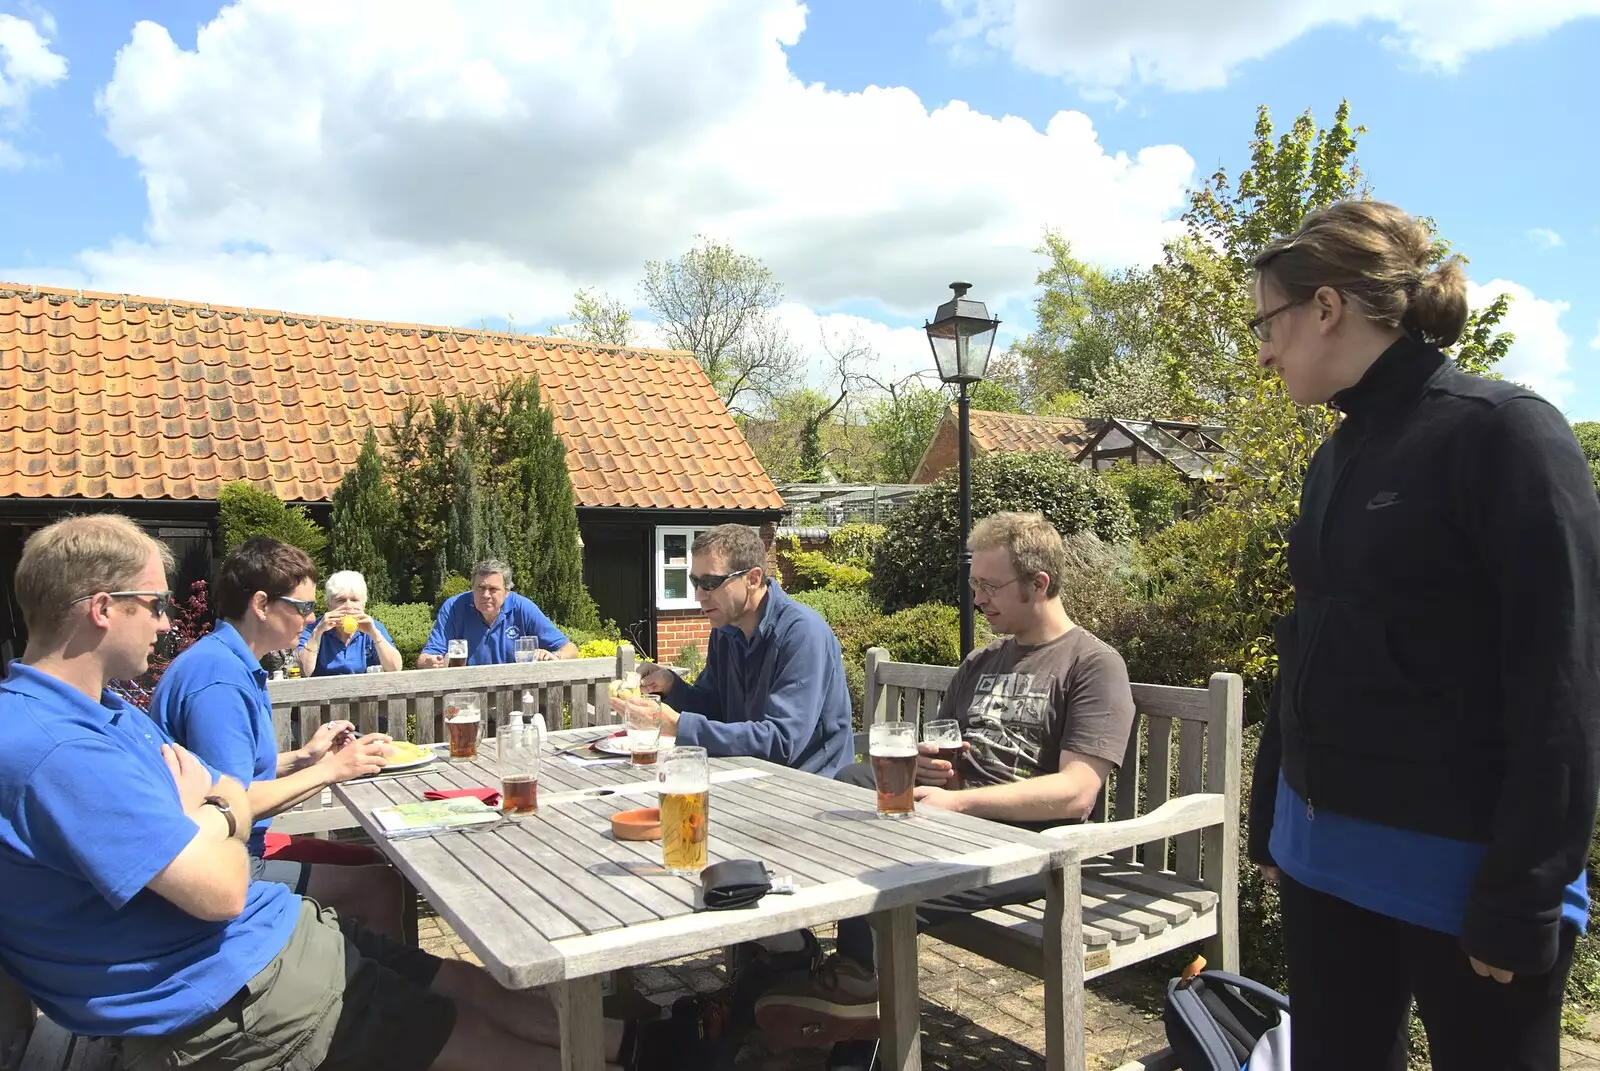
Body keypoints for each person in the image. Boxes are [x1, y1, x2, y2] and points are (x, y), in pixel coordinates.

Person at [0, 514, 723, 1071]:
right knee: (470, 1034)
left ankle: (642, 1040)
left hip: (256, 936)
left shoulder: (103, 711)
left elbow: (217, 791)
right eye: (153, 605)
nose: (165, 623)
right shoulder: (59, 748)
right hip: (222, 986)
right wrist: (220, 808)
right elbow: (222, 868)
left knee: (456, 981)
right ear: (102, 608)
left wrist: (213, 804)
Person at [1244, 200, 1600, 1071]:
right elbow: (1310, 635)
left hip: (1459, 882)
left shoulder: (1506, 435)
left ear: (1325, 307)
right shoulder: (1334, 457)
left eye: (1266, 321)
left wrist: (1524, 895)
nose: (1260, 349)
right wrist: (1271, 821)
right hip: (1323, 863)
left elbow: (1565, 679)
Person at [751, 513, 1136, 1069]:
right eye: (974, 584)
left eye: (989, 586)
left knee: (878, 884)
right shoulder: (982, 661)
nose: (978, 599)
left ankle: (854, 1015)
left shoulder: (1092, 664)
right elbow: (944, 747)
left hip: (1028, 849)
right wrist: (933, 768)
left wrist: (959, 800)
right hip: (952, 821)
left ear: (1040, 583)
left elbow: (1077, 792)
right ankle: (819, 972)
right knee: (841, 792)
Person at [150, 537, 405, 938]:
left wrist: (306, 757)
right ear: (262, 605)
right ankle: (378, 990)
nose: (309, 618)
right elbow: (233, 803)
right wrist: (333, 771)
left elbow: (221, 776)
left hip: (239, 847)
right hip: (226, 866)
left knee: (373, 862)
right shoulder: (218, 679)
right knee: (383, 887)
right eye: (303, 607)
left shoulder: (225, 661)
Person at [628, 524, 853, 776]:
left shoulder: (802, 633)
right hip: (750, 776)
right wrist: (671, 686)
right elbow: (714, 708)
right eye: (695, 582)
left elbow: (782, 741)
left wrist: (680, 726)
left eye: (711, 582)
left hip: (812, 786)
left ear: (753, 579)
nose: (699, 596)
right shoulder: (726, 631)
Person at [416, 560, 578, 667]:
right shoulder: (454, 607)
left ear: (507, 592)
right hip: (466, 693)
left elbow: (570, 649)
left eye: (493, 589)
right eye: (480, 588)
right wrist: (430, 662)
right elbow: (424, 658)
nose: (485, 595)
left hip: (515, 694)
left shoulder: (522, 607)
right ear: (472, 587)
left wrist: (554, 657)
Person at [297, 569, 403, 676]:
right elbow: (304, 672)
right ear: (329, 605)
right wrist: (317, 633)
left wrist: (375, 635)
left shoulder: (373, 627)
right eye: (341, 600)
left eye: (354, 600)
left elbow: (395, 669)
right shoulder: (314, 627)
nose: (348, 606)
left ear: (363, 605)